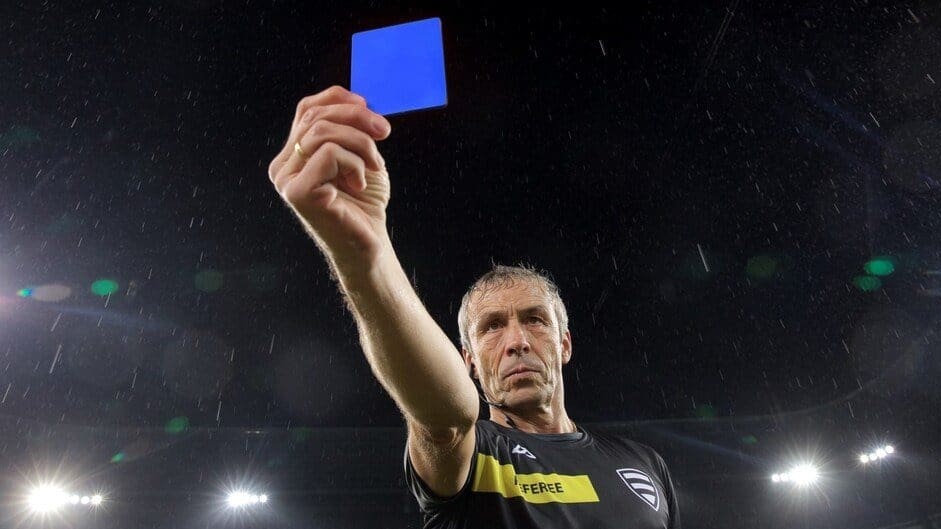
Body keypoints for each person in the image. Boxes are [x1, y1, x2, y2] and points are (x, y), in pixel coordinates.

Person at [268, 85, 681, 528]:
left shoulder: (644, 465)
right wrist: (363, 258)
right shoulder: (471, 453)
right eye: (491, 327)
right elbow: (446, 417)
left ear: (565, 344)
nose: (517, 341)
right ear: (468, 360)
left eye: (535, 320)